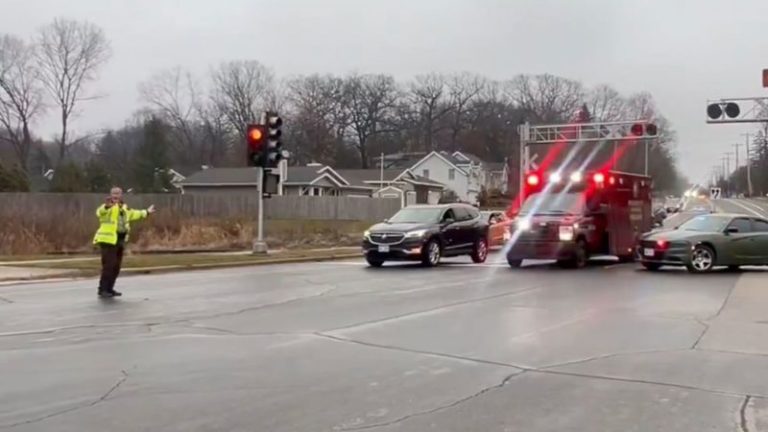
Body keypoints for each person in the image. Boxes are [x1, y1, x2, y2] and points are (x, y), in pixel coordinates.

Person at [93, 187, 156, 297]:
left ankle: (110, 288)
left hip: (120, 240)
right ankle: (102, 289)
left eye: (118, 193)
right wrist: (107, 206)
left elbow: (135, 214)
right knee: (109, 265)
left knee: (116, 266)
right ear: (110, 194)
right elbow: (100, 212)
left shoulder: (125, 208)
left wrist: (147, 212)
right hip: (108, 240)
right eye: (113, 193)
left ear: (121, 195)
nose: (115, 196)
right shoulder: (108, 207)